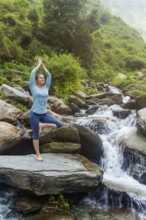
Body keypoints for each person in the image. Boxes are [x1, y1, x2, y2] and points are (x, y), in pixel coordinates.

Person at [29, 58, 63, 161]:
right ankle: (38, 154)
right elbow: (32, 72)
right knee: (36, 135)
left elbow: (49, 75)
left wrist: (43, 66)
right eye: (40, 78)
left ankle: (42, 125)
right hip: (34, 114)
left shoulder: (46, 88)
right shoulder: (33, 86)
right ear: (36, 80)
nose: (42, 79)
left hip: (44, 114)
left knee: (59, 124)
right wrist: (38, 65)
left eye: (43, 78)